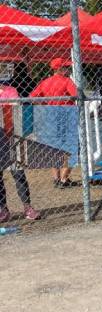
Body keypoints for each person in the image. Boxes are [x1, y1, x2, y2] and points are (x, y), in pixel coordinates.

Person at [29, 58, 78, 188]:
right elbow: (77, 95)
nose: (68, 70)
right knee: (70, 149)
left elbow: (32, 97)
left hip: (50, 118)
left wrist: (45, 105)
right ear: (60, 69)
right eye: (66, 67)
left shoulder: (45, 82)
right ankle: (63, 179)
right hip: (65, 117)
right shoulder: (67, 81)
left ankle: (56, 179)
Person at [0, 77, 41, 222]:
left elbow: (15, 108)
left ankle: (27, 207)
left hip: (11, 136)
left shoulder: (10, 90)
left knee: (18, 172)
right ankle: (3, 210)